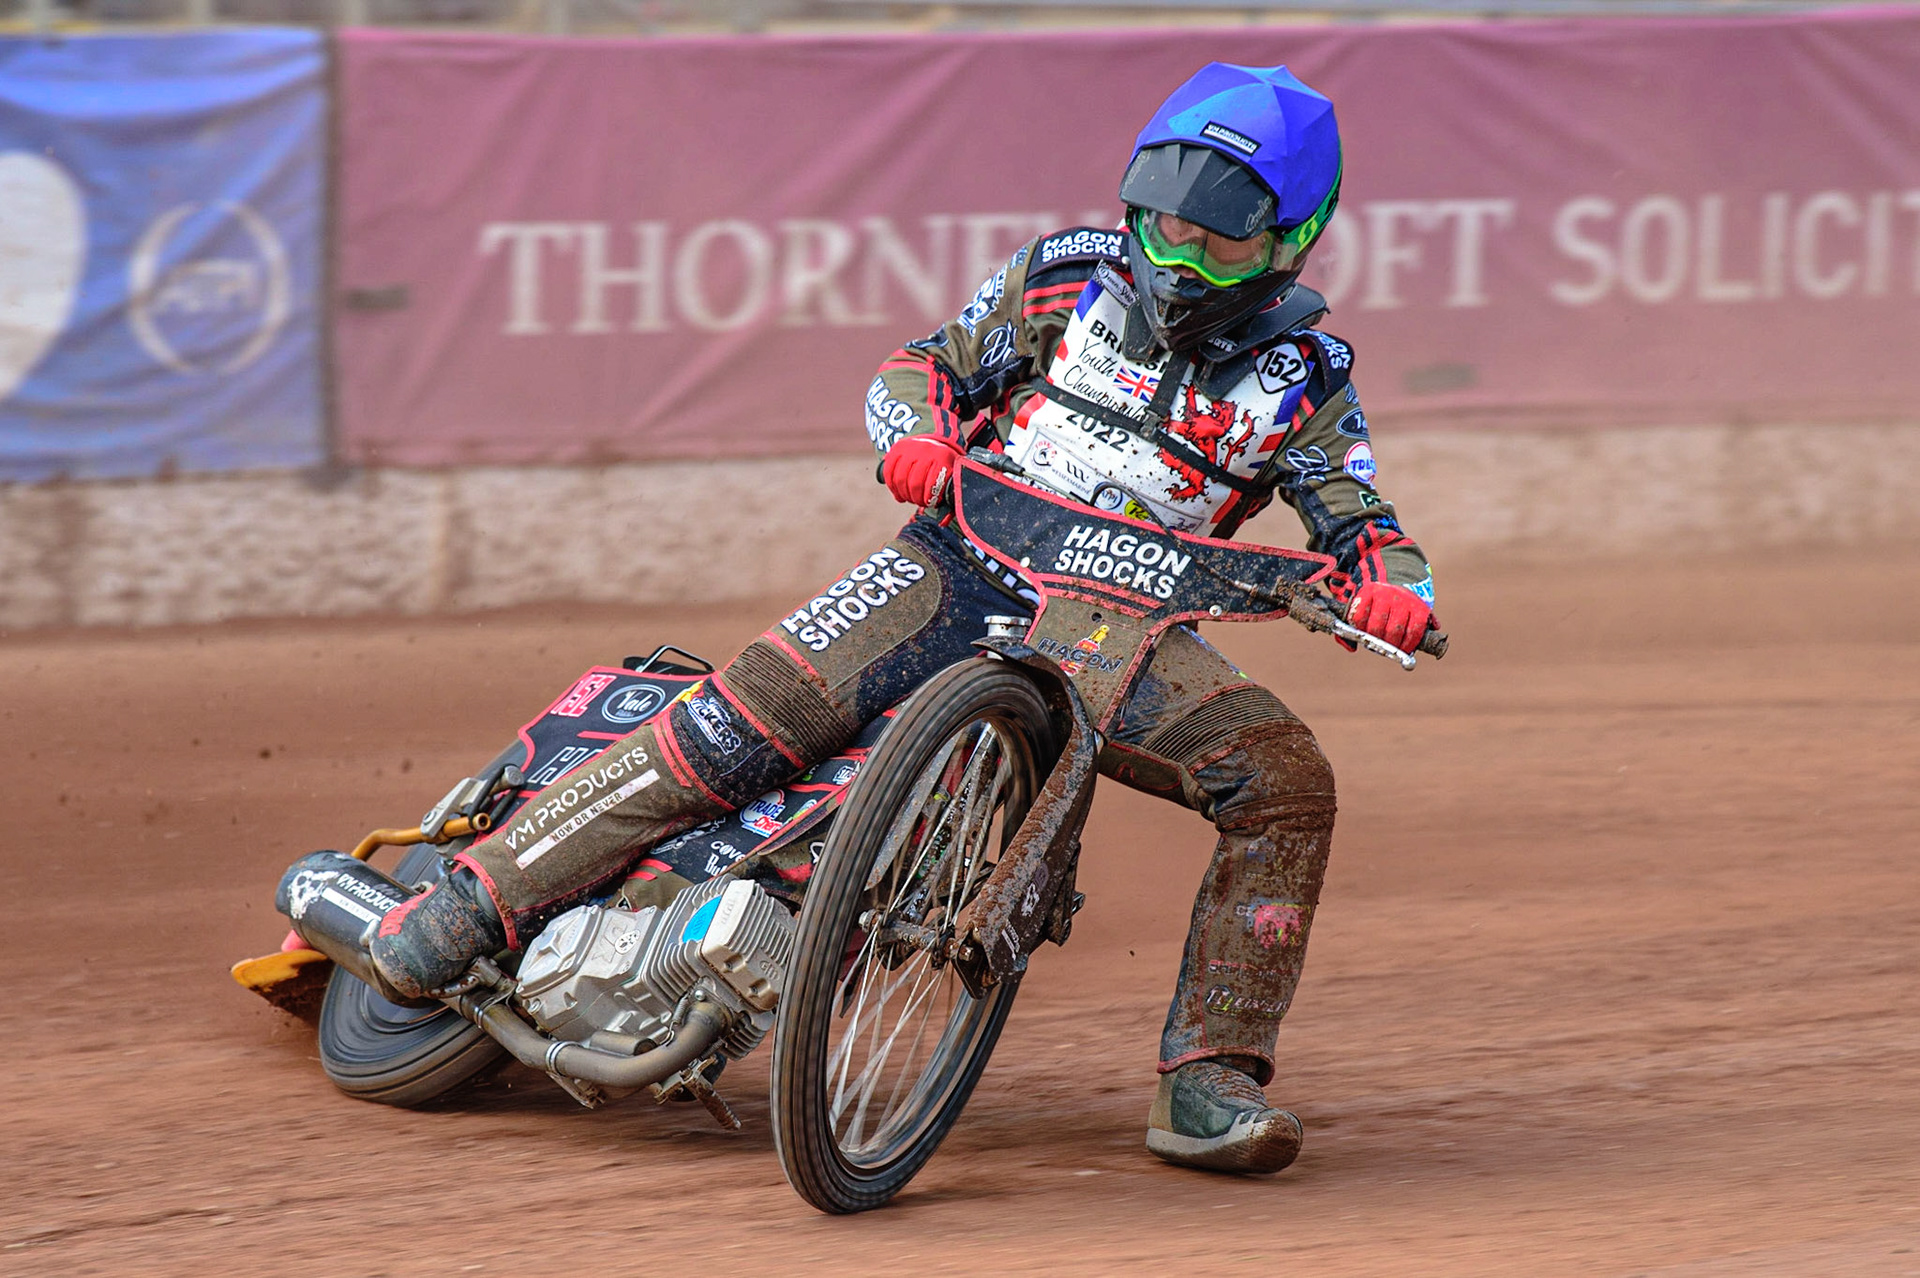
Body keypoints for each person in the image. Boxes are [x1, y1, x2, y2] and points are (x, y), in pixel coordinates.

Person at [365, 62, 1437, 1175]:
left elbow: (1363, 520)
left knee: (1287, 782)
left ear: (1290, 244)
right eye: (1164, 223)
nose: (1175, 257)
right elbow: (917, 368)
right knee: (730, 726)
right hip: (954, 563)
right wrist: (915, 432)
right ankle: (464, 910)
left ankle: (1210, 1083)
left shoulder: (1307, 380)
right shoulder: (1062, 278)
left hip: (1123, 631)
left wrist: (1396, 587)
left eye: (1215, 244)